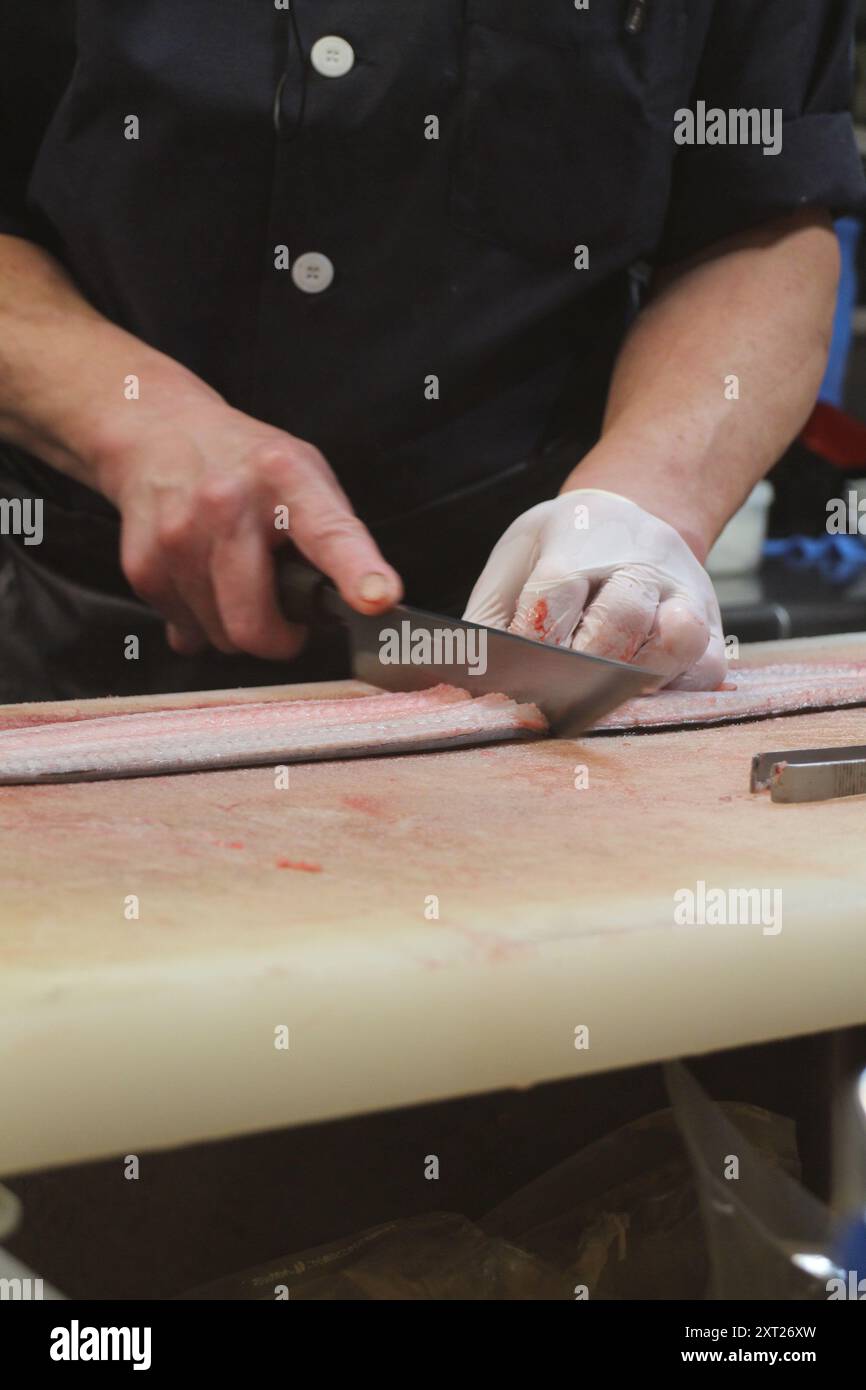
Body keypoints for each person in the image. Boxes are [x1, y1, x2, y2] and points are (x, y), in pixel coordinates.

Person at [0, 1, 863, 703]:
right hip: (68, 625)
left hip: (533, 654)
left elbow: (760, 218)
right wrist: (124, 413)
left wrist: (643, 507)